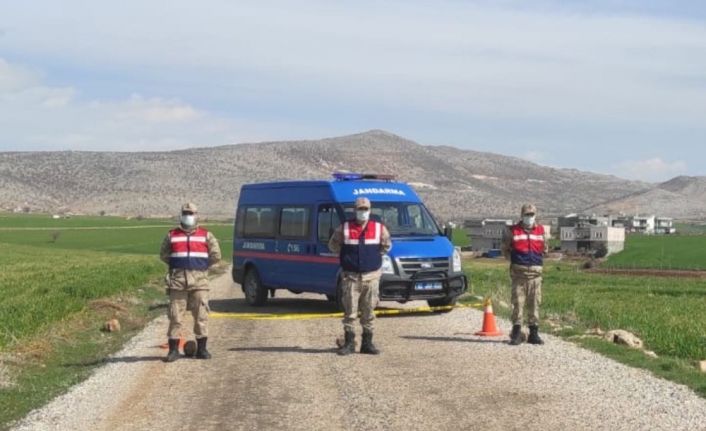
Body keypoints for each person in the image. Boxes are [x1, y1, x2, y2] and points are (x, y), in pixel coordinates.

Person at [328, 197, 392, 355]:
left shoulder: (379, 228)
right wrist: (347, 258)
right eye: (360, 209)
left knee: (369, 312)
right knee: (350, 312)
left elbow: (386, 246)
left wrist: (373, 258)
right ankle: (349, 343)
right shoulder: (344, 228)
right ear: (354, 210)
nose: (362, 212)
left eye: (365, 209)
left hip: (371, 278)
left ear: (370, 210)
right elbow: (333, 245)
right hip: (351, 278)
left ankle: (367, 344)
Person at [160, 202, 221, 362]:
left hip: (200, 283)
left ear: (196, 215)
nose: (188, 216)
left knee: (201, 316)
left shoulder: (206, 235)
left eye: (191, 213)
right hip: (178, 282)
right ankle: (173, 351)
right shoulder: (171, 235)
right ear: (181, 214)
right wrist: (178, 266)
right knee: (175, 316)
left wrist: (201, 267)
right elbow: (164, 255)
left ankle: (202, 349)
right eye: (186, 213)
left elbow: (216, 255)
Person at [501, 203, 548, 346]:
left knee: (534, 304)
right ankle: (516, 333)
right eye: (527, 214)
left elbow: (544, 249)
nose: (529, 217)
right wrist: (515, 262)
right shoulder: (512, 231)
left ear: (535, 215)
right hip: (519, 274)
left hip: (535, 274)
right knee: (518, 304)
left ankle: (534, 333)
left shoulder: (541, 231)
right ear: (522, 215)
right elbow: (505, 249)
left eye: (532, 214)